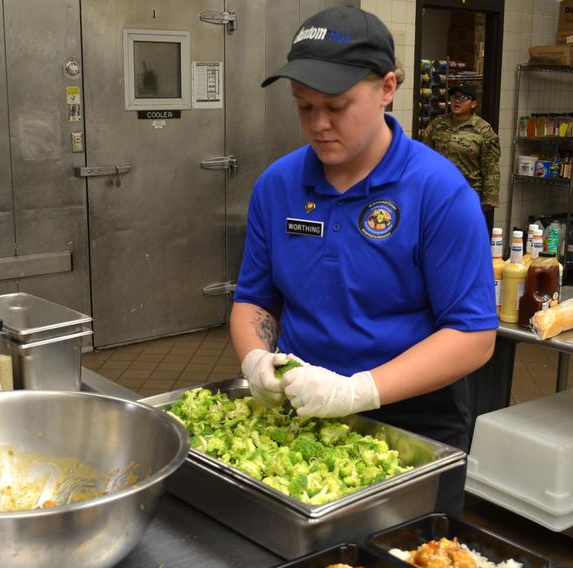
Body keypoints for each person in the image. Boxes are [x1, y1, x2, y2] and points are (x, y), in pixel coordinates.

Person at [230, 5, 497, 516]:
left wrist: (359, 391)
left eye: (337, 105)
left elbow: (473, 336)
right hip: (300, 417)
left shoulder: (438, 192)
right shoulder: (277, 187)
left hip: (413, 422)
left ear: (387, 87)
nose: (319, 124)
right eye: (304, 107)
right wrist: (255, 360)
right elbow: (254, 300)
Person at [425, 83, 501, 233]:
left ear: (473, 104)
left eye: (463, 98)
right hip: (439, 194)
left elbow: (491, 167)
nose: (457, 101)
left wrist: (488, 201)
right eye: (454, 97)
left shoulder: (483, 130)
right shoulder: (438, 124)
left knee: (464, 239)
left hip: (469, 196)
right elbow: (424, 158)